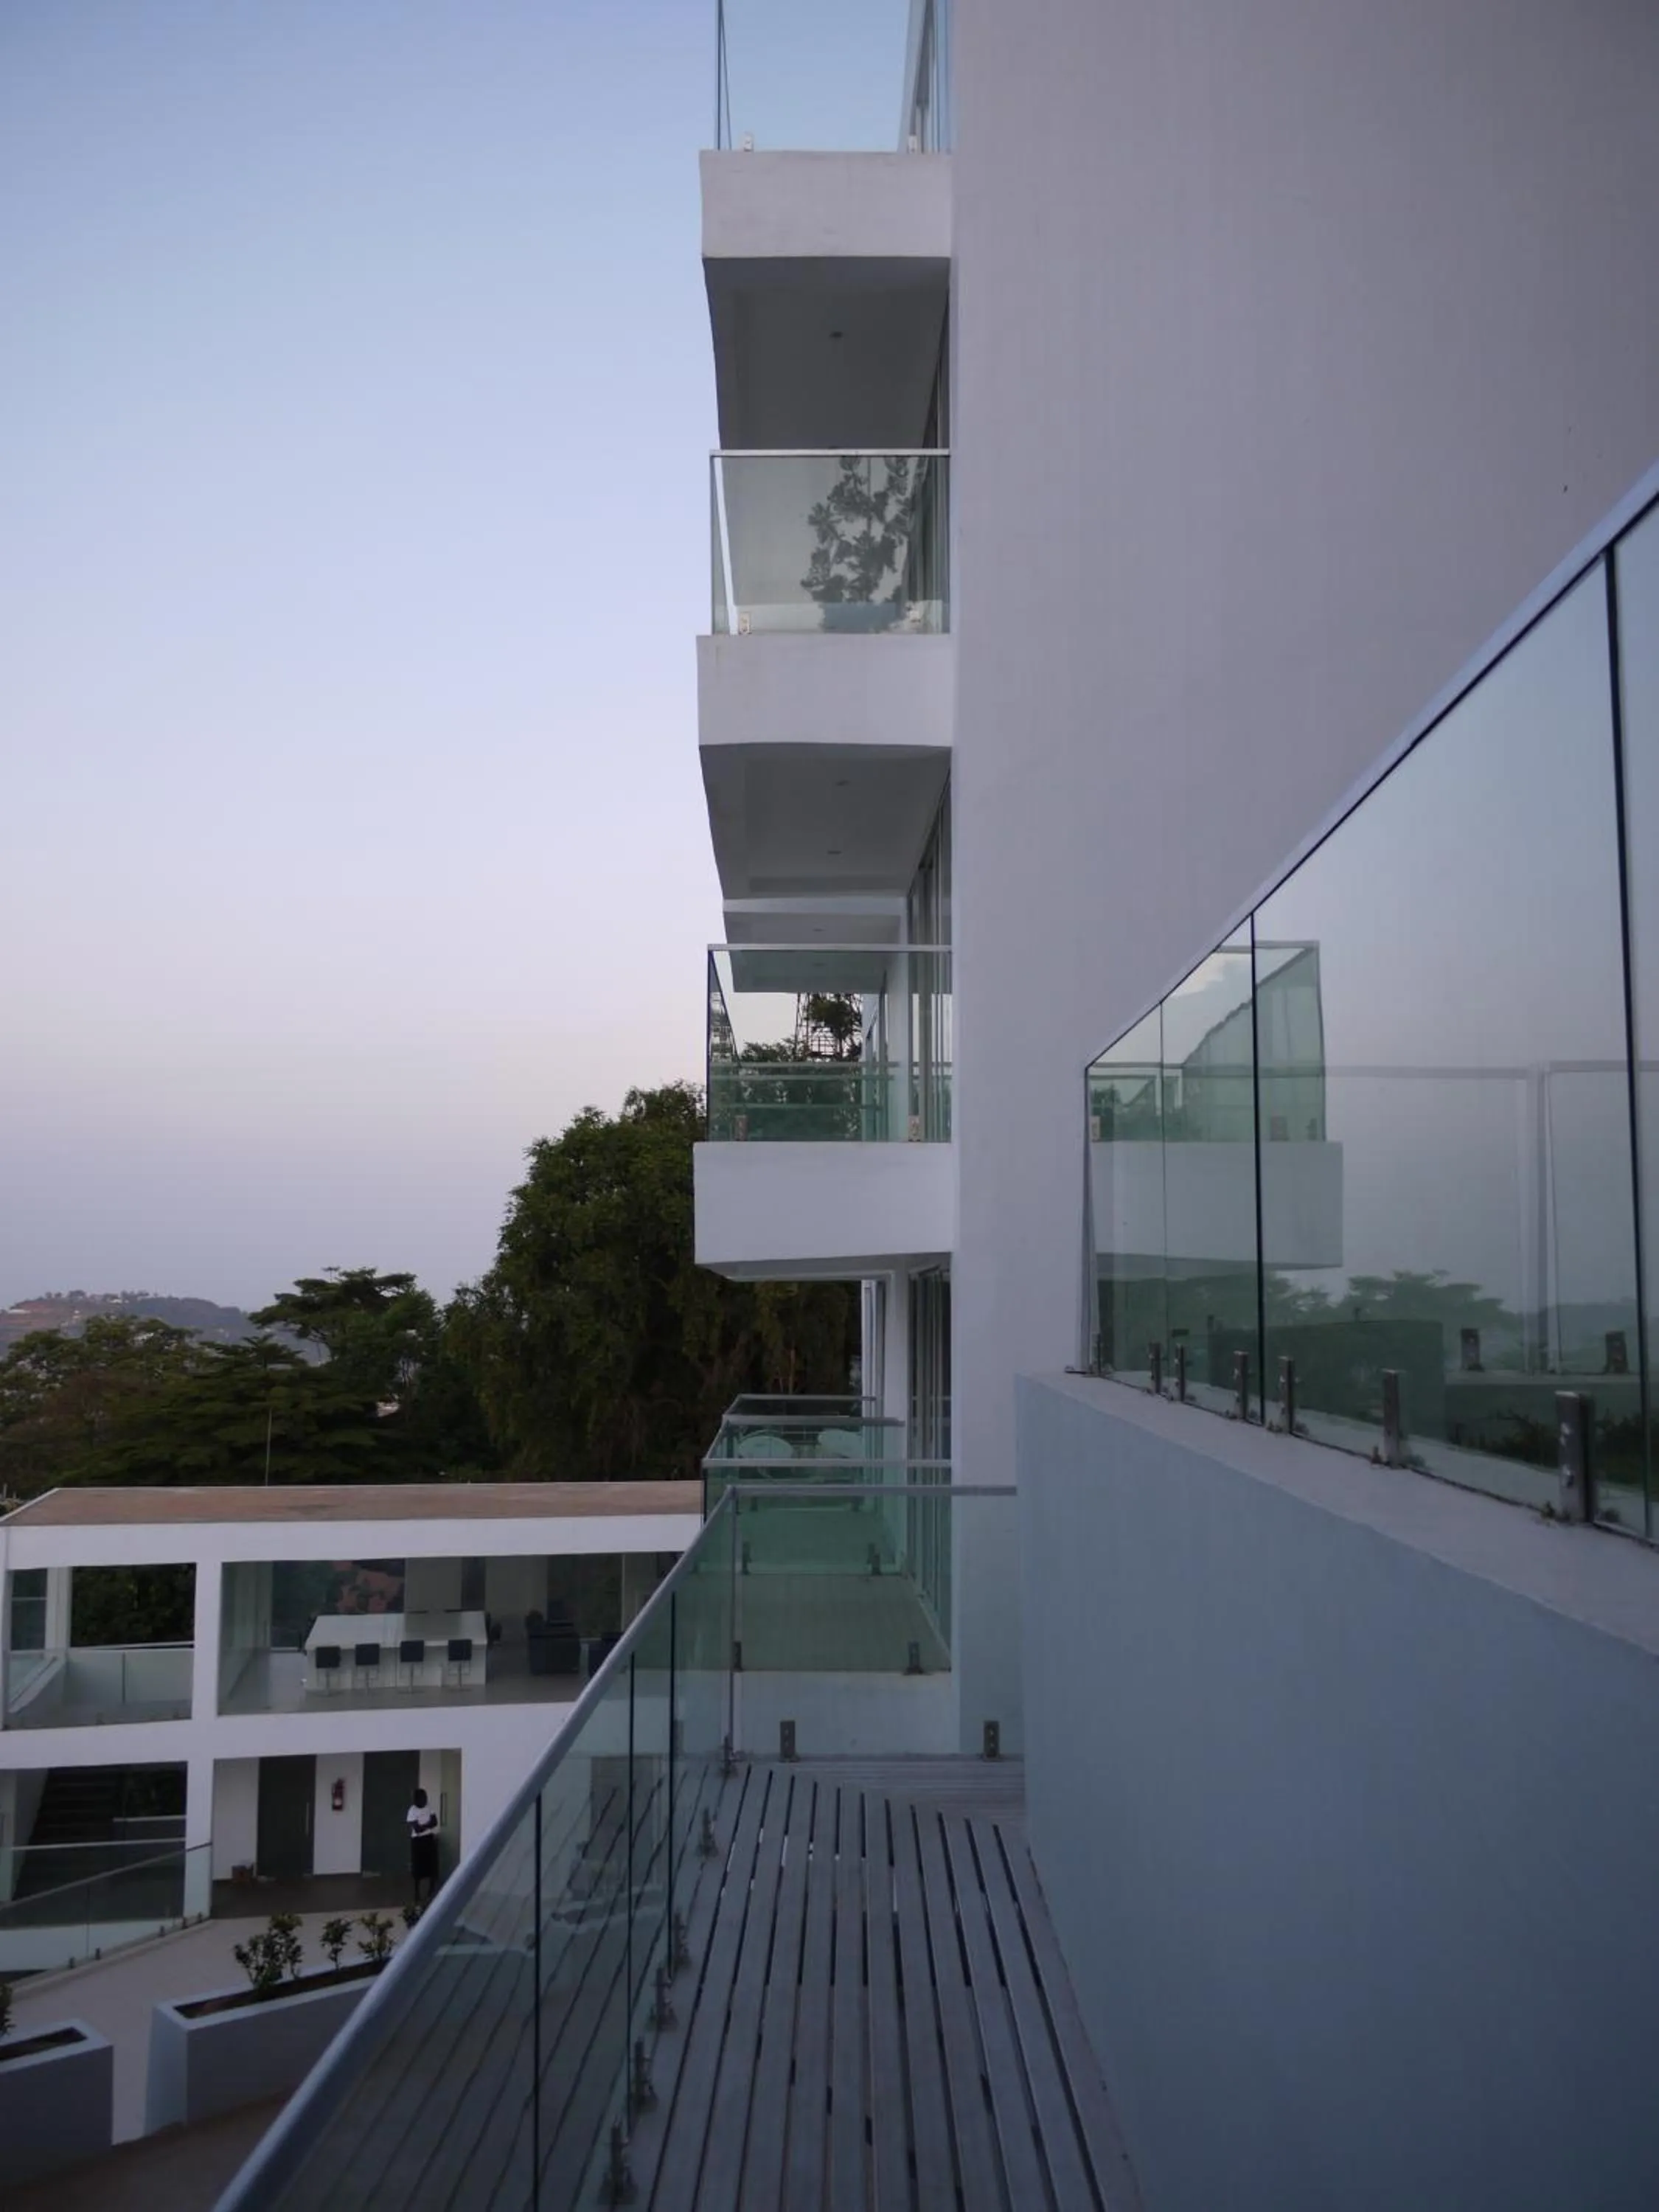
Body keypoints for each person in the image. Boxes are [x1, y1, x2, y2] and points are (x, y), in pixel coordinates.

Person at [407, 1785, 440, 1907]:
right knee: (418, 1866)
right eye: (422, 1798)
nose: (425, 1800)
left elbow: (435, 1823)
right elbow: (417, 1829)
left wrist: (423, 1825)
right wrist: (428, 1824)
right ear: (417, 1799)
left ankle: (431, 1890)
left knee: (431, 1864)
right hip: (417, 1841)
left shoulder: (429, 1807)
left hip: (428, 1839)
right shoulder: (412, 1810)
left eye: (425, 1797)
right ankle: (417, 1893)